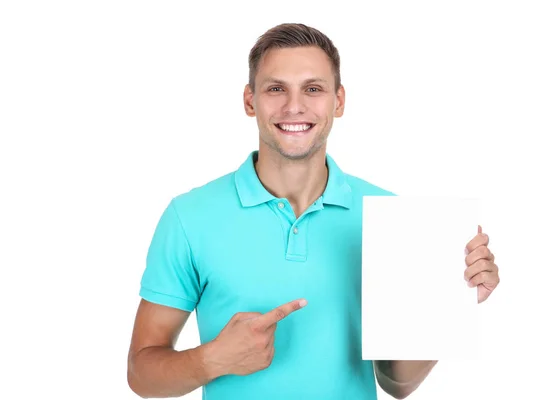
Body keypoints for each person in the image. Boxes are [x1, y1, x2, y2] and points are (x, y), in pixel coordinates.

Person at [126, 23, 500, 400]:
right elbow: (141, 375)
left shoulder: (389, 216)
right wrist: (213, 359)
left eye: (313, 89)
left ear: (338, 101)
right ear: (249, 100)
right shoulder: (190, 217)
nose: (294, 106)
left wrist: (452, 301)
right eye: (276, 88)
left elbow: (396, 382)